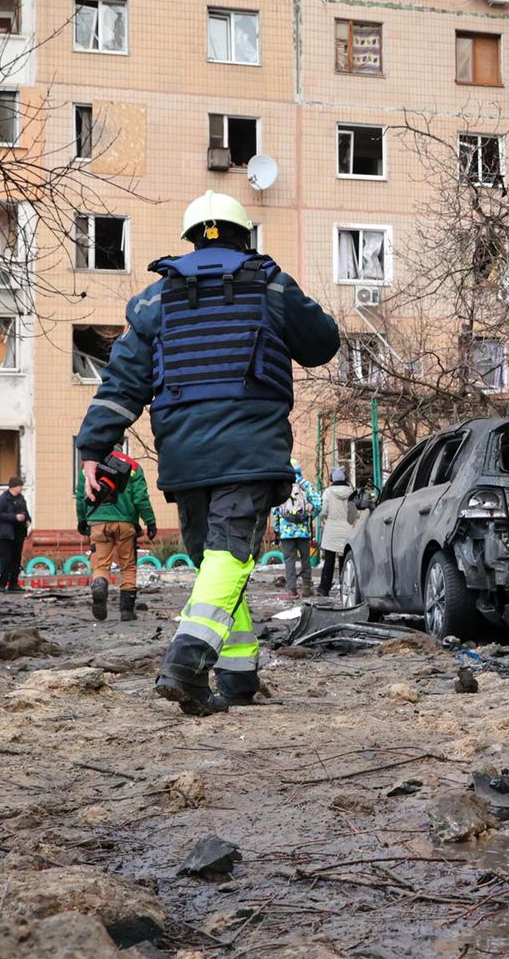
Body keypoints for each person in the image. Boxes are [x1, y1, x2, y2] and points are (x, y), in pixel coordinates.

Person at [74, 191, 340, 715]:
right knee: (229, 558)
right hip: (250, 447)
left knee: (216, 564)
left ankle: (237, 679)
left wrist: (93, 446)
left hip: (185, 453)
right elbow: (322, 345)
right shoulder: (270, 284)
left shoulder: (154, 301)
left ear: (191, 238)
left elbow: (122, 382)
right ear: (245, 236)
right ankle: (186, 661)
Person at [76, 452, 156, 622]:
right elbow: (141, 498)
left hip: (98, 522)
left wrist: (82, 519)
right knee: (127, 565)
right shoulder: (133, 466)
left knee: (100, 564)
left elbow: (82, 495)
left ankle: (99, 585)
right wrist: (150, 521)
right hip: (126, 523)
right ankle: (127, 611)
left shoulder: (88, 467)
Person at [274, 460, 322, 600]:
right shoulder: (305, 485)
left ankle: (291, 590)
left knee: (289, 559)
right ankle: (307, 587)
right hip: (303, 530)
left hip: (286, 530)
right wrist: (309, 517)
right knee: (305, 558)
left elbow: (276, 510)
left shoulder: (281, 486)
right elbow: (318, 504)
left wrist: (278, 529)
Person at [317, 466, 357, 599]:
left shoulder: (328, 492)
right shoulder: (351, 492)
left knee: (329, 560)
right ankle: (344, 587)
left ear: (332, 479)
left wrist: (323, 518)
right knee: (344, 560)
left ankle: (324, 588)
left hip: (331, 530)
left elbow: (324, 512)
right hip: (346, 530)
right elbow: (353, 514)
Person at [0, 476, 30, 592]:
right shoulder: (3, 499)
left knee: (16, 559)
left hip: (19, 533)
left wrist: (27, 520)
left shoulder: (21, 498)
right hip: (7, 534)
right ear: (14, 487)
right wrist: (14, 517)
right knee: (6, 559)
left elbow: (25, 511)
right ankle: (2, 584)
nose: (21, 489)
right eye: (20, 486)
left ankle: (14, 582)